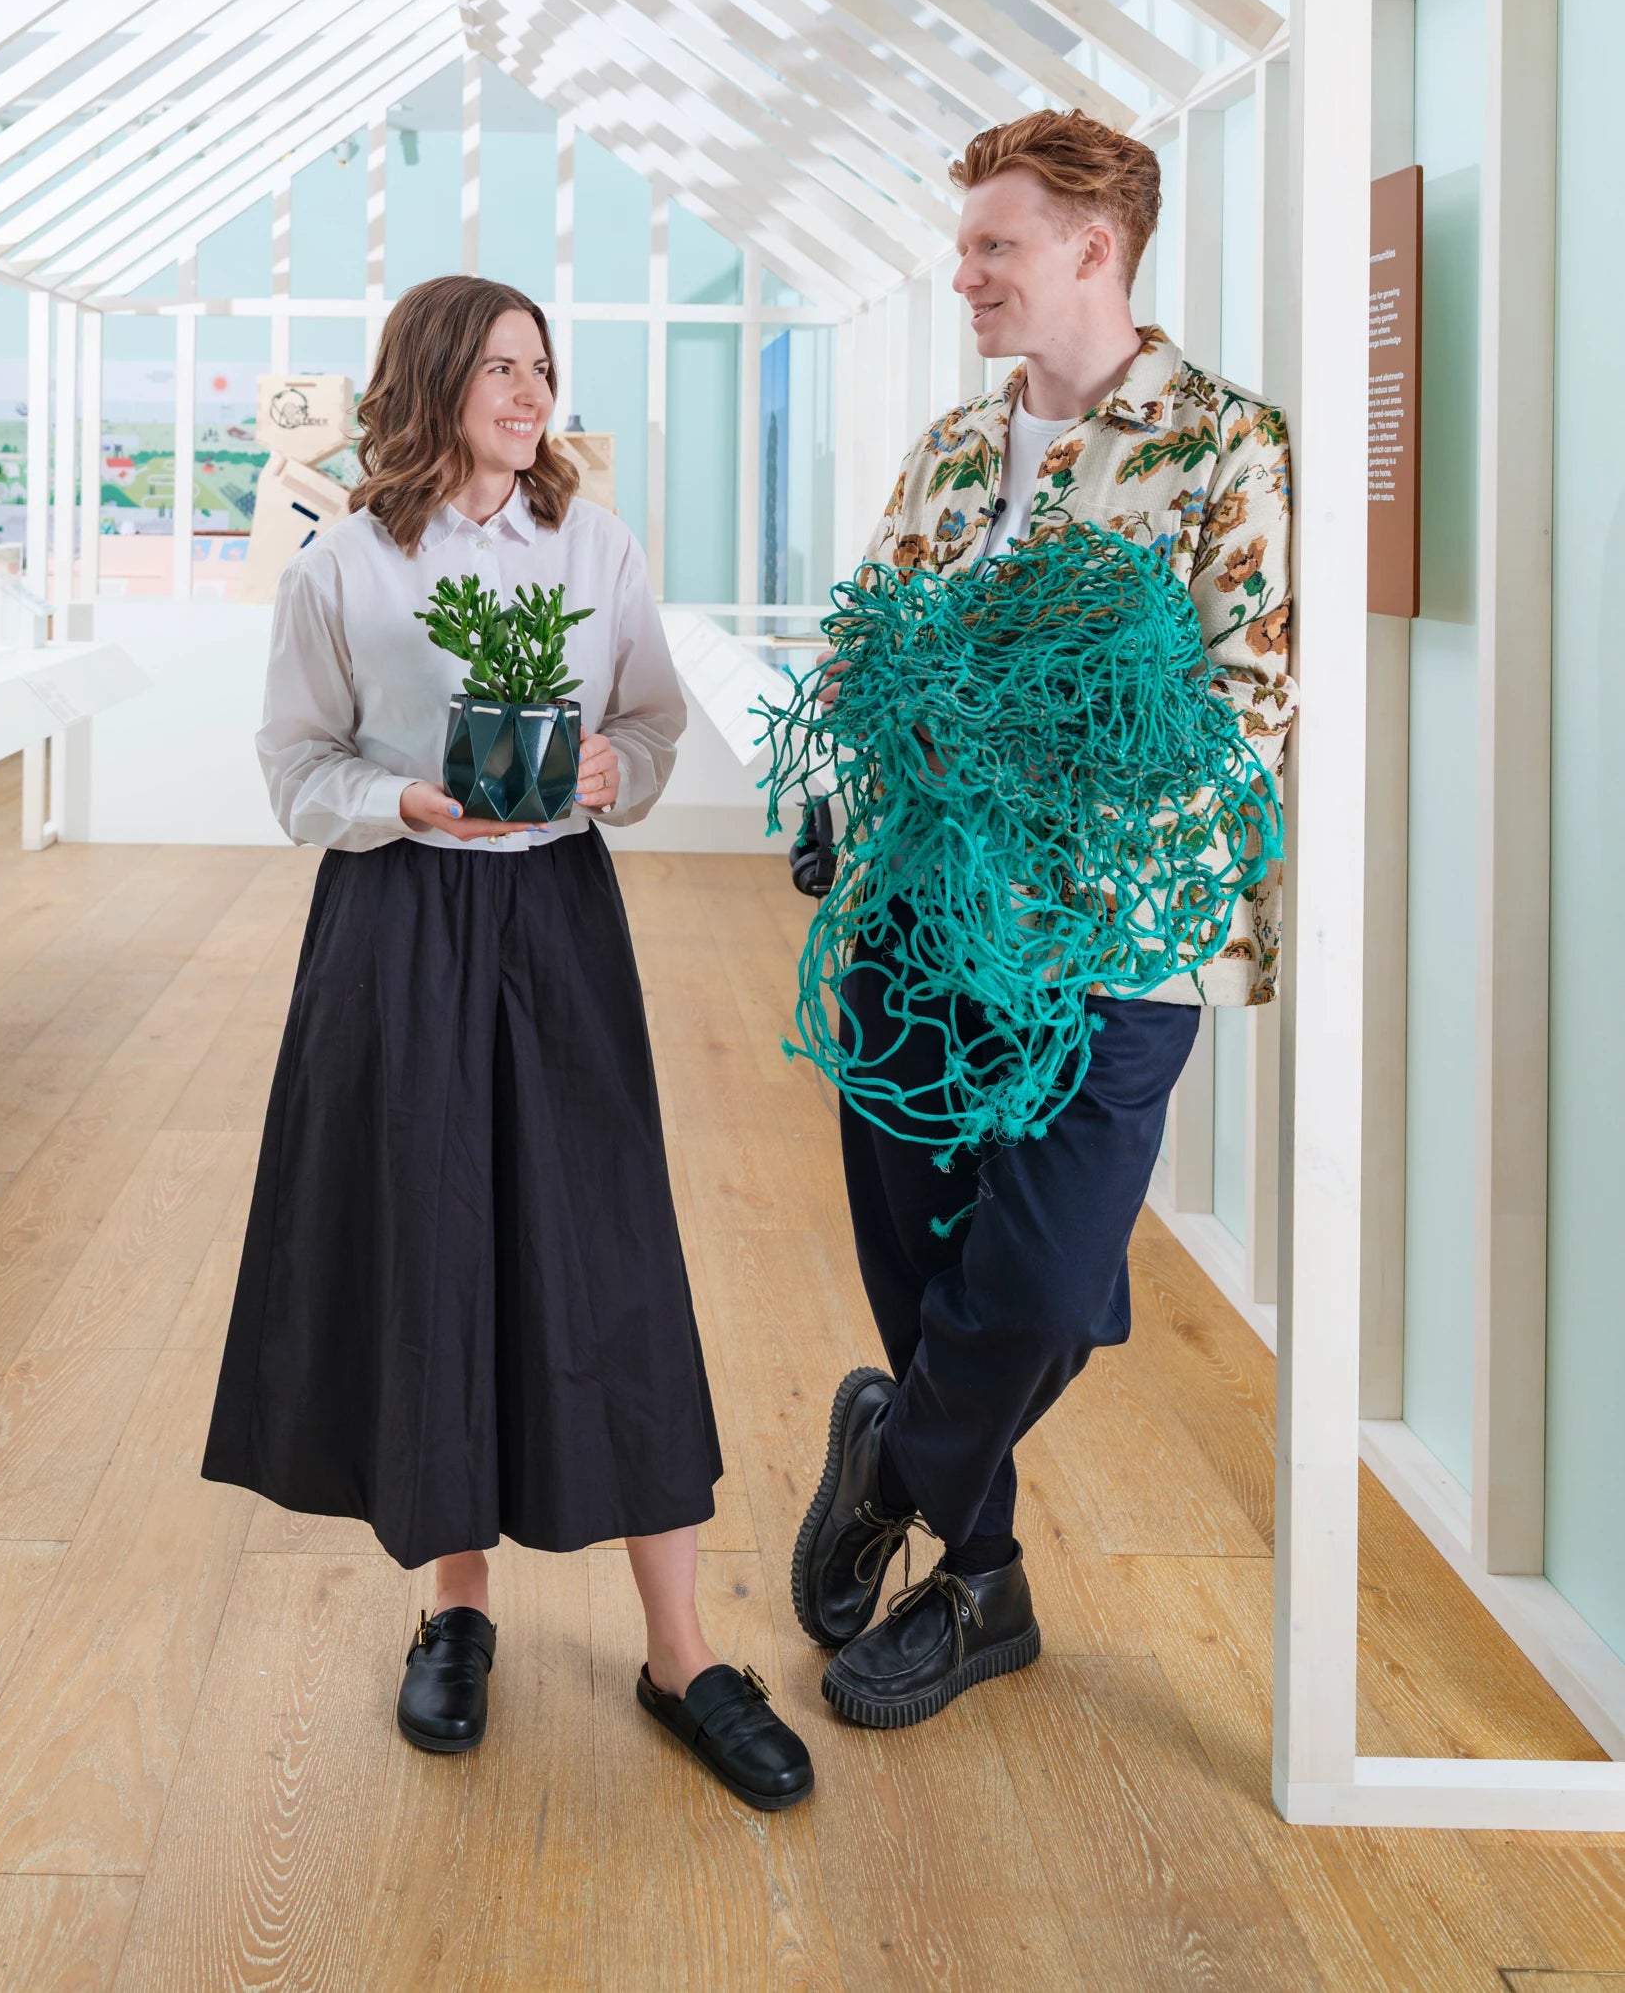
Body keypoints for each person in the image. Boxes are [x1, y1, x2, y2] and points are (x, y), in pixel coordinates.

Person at [204, 274, 813, 1810]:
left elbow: (657, 729)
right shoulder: (341, 564)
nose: (529, 393)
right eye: (497, 367)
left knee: (606, 1255)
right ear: (427, 382)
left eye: (541, 366)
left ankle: (681, 1652)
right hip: (397, 928)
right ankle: (456, 1609)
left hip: (556, 925)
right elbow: (293, 769)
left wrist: (614, 768)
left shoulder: (592, 544)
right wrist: (400, 802)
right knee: (432, 1249)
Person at [791, 110, 1296, 1729]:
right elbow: (871, 647)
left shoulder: (1230, 446)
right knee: (924, 1255)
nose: (965, 276)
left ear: (1095, 248)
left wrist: (997, 738)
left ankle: (900, 1455)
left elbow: (1248, 711)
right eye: (965, 248)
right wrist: (850, 779)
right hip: (912, 924)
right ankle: (980, 1588)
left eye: (993, 247)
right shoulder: (950, 447)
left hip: (1114, 948)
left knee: (1040, 1280)